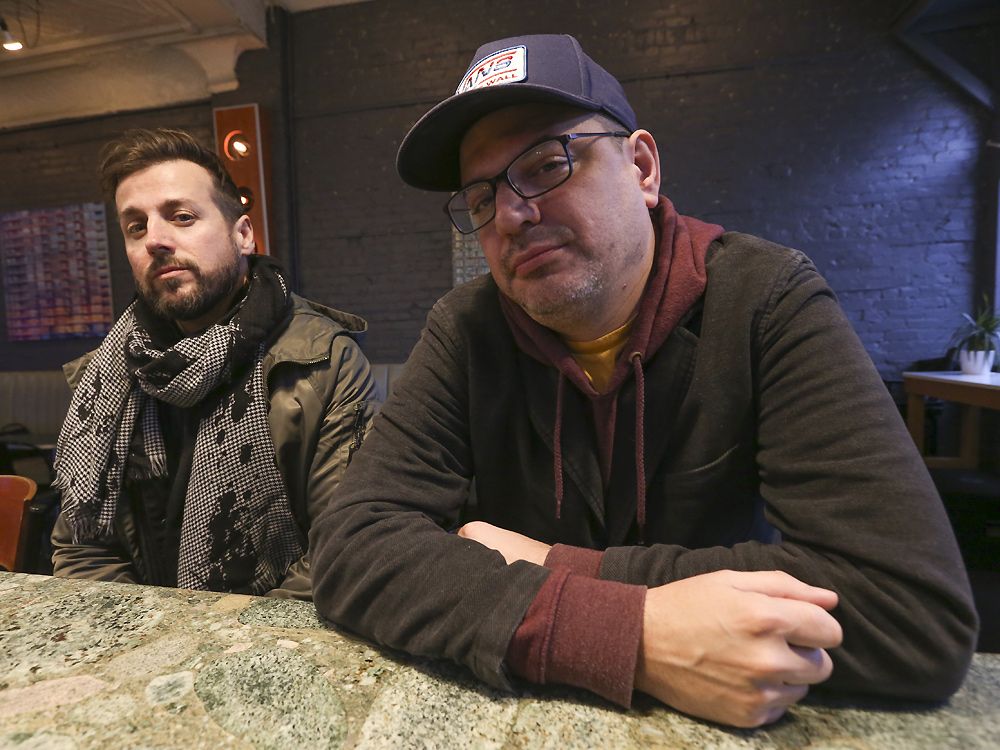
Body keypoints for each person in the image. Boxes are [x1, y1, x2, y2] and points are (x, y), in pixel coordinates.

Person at [309, 35, 978, 726]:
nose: (510, 215)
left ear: (642, 167)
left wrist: (551, 563)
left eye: (547, 165)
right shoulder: (466, 327)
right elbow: (353, 545)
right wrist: (634, 633)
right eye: (481, 199)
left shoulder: (766, 302)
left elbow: (910, 611)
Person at [51, 128, 376, 600]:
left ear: (242, 234)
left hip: (269, 632)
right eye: (136, 227)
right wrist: (147, 633)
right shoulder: (107, 375)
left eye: (182, 217)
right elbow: (84, 548)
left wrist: (214, 636)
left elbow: (341, 550)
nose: (155, 240)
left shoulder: (323, 361)